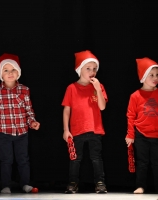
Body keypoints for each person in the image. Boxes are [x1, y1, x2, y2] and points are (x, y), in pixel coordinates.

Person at [0, 53, 40, 194]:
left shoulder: (24, 90)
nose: (10, 73)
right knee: (6, 160)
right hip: (4, 132)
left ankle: (25, 184)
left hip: (22, 132)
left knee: (23, 159)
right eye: (6, 70)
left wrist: (32, 122)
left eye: (13, 70)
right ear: (1, 75)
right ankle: (6, 185)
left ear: (18, 73)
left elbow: (29, 111)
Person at [62, 50, 108, 194]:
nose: (92, 71)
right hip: (77, 130)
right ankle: (73, 183)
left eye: (94, 69)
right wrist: (66, 130)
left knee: (96, 158)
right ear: (79, 70)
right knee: (75, 158)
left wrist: (98, 90)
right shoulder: (71, 88)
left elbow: (102, 107)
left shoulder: (98, 87)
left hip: (95, 129)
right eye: (88, 68)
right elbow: (66, 110)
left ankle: (100, 183)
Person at [125, 57, 158, 194]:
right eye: (151, 75)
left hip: (156, 135)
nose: (155, 77)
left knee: (157, 163)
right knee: (142, 162)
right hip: (141, 134)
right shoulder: (135, 96)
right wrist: (130, 134)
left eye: (157, 75)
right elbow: (131, 116)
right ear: (143, 76)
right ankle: (140, 186)